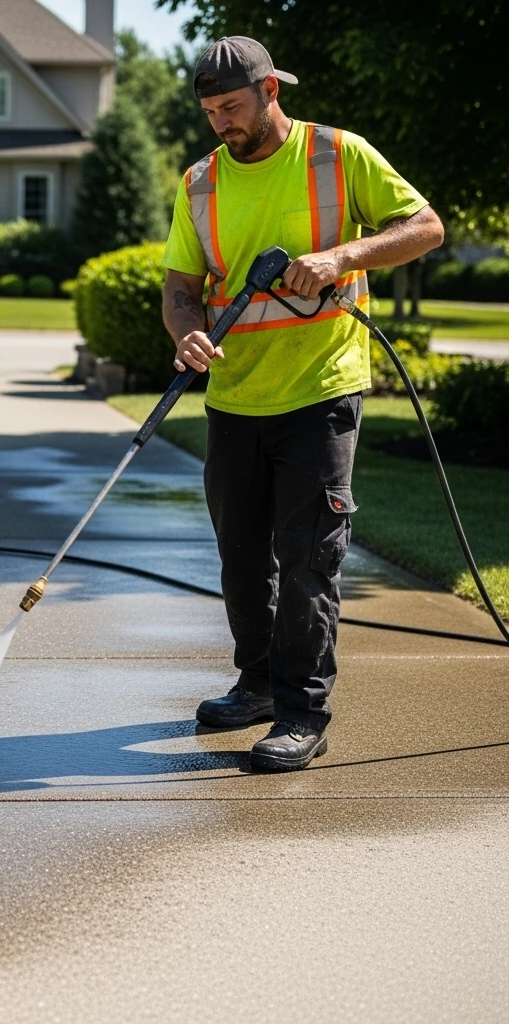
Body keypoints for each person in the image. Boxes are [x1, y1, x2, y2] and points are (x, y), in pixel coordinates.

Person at [161, 36, 444, 771]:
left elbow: (426, 227)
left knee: (310, 559)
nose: (220, 122)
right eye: (209, 110)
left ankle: (301, 714)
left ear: (270, 91)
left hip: (321, 393)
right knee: (242, 562)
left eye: (231, 106)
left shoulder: (337, 154)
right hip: (235, 396)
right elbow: (181, 287)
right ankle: (255, 685)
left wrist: (343, 257)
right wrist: (187, 334)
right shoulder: (199, 182)